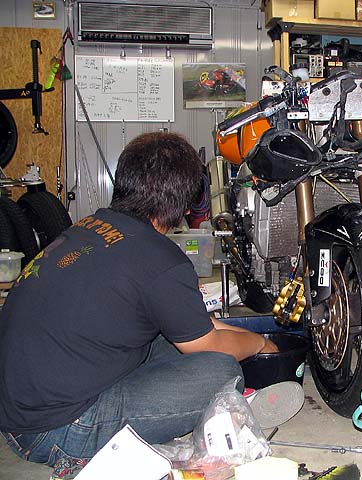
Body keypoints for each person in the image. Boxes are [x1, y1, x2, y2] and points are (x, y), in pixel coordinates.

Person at [0, 132, 278, 468]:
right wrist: (259, 343)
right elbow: (206, 344)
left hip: (18, 406)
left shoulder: (91, 226)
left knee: (168, 336)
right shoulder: (160, 259)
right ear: (182, 203)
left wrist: (244, 337)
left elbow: (196, 325)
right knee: (221, 371)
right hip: (57, 429)